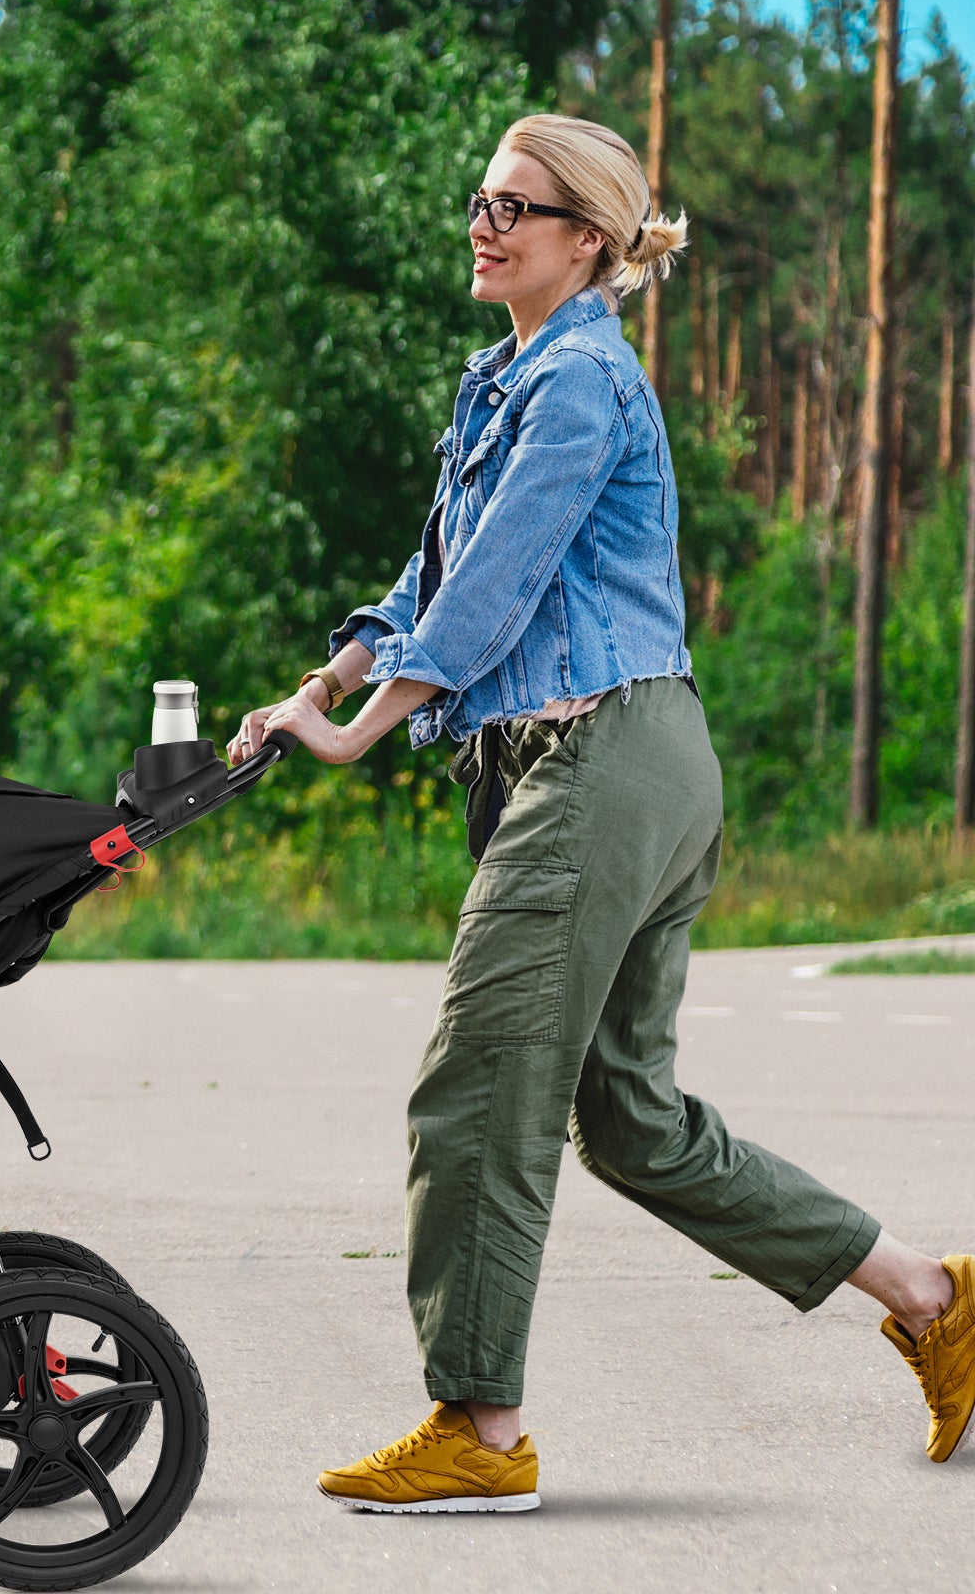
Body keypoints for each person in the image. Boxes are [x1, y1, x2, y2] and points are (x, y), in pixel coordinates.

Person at [227, 113, 974, 1513]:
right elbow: (429, 574)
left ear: (588, 241)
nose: (486, 223)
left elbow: (495, 591)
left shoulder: (581, 383)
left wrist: (364, 729)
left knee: (477, 1089)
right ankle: (935, 1300)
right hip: (624, 760)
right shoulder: (504, 379)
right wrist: (318, 685)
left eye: (520, 207)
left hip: (600, 755)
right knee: (630, 1122)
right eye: (483, 199)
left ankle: (480, 1427)